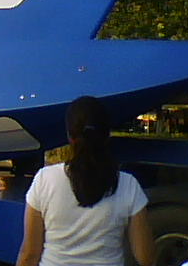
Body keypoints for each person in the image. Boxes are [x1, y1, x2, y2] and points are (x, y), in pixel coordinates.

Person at [16, 96, 155, 266]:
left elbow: (30, 255)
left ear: (69, 136)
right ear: (107, 135)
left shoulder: (44, 179)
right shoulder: (129, 185)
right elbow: (145, 258)